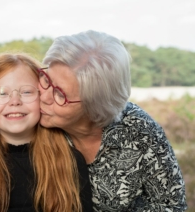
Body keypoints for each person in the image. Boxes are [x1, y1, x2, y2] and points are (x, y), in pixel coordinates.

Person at [38, 30, 187, 211]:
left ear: (94, 106)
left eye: (60, 94)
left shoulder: (140, 130)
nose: (43, 96)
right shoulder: (31, 121)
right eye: (46, 79)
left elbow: (172, 205)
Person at [0, 53, 93, 212]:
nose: (14, 101)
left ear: (43, 96)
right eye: (1, 93)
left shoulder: (70, 159)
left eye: (27, 92)